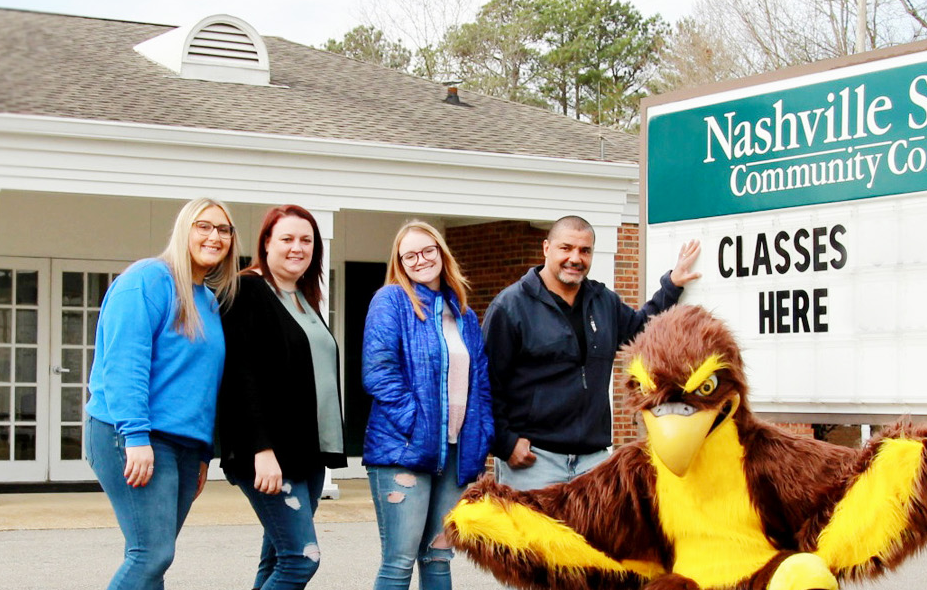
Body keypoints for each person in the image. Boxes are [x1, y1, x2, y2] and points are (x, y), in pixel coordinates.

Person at [85, 197, 239, 590]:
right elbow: (125, 363)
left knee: (151, 557)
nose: (214, 236)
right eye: (203, 226)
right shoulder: (148, 279)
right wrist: (135, 436)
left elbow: (204, 384)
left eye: (223, 229)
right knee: (151, 554)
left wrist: (205, 453)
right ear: (183, 230)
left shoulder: (207, 299)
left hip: (185, 446)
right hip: (133, 434)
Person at [483, 216, 700, 491]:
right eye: (566, 248)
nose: (575, 258)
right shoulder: (511, 306)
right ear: (546, 248)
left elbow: (642, 329)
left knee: (597, 536)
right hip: (535, 462)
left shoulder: (603, 301)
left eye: (585, 251)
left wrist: (672, 285)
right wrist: (505, 443)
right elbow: (487, 383)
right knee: (538, 536)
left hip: (594, 461)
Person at [215, 205, 346, 590]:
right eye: (286, 238)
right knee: (301, 559)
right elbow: (241, 376)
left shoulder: (304, 298)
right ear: (267, 243)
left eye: (306, 240)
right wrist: (261, 449)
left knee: (276, 558)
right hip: (270, 454)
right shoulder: (248, 290)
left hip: (308, 452)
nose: (297, 248)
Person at [361, 220, 492, 590]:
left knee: (438, 557)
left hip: (454, 456)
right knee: (399, 562)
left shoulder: (463, 315)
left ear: (441, 252)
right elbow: (379, 372)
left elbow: (480, 385)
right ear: (400, 263)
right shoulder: (391, 301)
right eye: (410, 256)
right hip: (403, 452)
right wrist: (418, 426)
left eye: (427, 250)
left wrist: (480, 443)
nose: (420, 260)